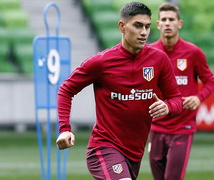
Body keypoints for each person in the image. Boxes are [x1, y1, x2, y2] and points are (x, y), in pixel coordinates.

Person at [56, 2, 183, 180]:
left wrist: (168, 107)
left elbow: (176, 99)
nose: (144, 32)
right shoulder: (101, 62)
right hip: (104, 147)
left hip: (134, 154)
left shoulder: (159, 60)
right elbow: (66, 89)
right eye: (137, 26)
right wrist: (64, 129)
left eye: (147, 26)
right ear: (122, 27)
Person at [148, 2, 214, 180]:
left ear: (179, 23)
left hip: (182, 126)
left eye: (172, 19)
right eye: (164, 19)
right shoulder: (150, 53)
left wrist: (198, 97)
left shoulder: (193, 52)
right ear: (158, 24)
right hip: (156, 127)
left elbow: (210, 82)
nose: (167, 23)